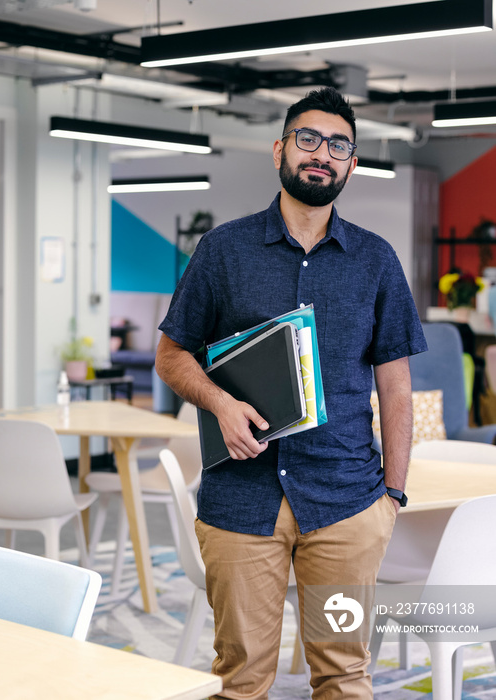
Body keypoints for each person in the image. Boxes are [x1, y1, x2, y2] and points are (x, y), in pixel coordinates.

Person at [155, 87, 427, 700]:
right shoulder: (223, 251)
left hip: (348, 504)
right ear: (280, 149)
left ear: (351, 164)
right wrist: (221, 403)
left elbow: (396, 382)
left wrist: (393, 496)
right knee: (242, 678)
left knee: (345, 674)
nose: (322, 154)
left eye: (338, 146)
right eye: (309, 139)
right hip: (241, 504)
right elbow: (172, 355)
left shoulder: (376, 260)